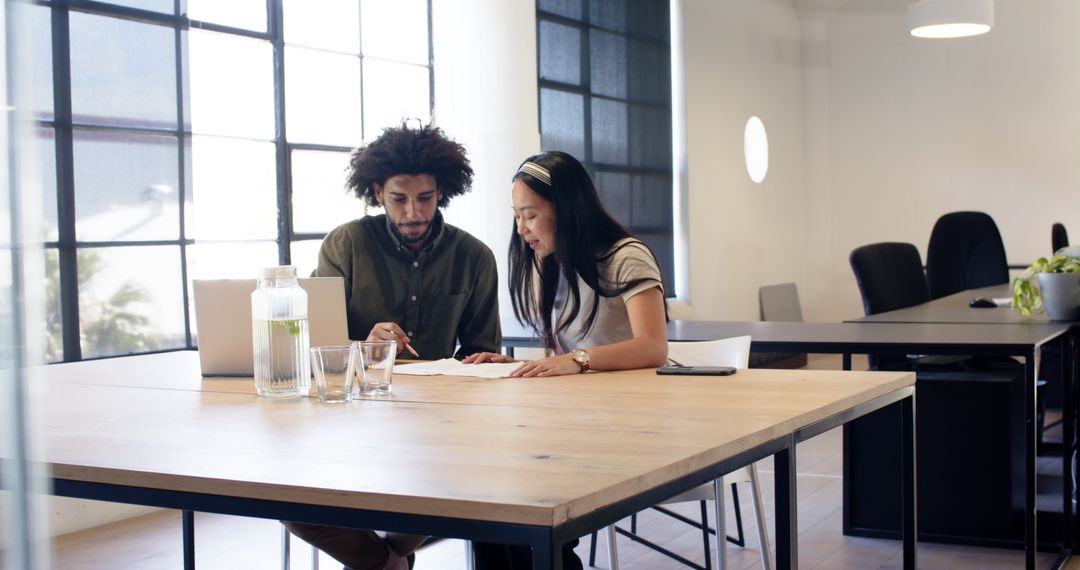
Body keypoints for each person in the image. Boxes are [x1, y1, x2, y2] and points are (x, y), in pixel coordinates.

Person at [284, 122, 502, 570]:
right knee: (289, 501)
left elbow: (480, 353)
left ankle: (384, 561)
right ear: (378, 191)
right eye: (399, 199)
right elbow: (316, 342)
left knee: (451, 488)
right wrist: (365, 344)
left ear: (441, 190)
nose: (413, 213)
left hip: (439, 430)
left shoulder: (474, 257)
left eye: (425, 197)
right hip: (347, 422)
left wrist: (483, 363)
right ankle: (390, 564)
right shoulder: (345, 244)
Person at [464, 151, 669, 568]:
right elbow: (569, 356)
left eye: (531, 215)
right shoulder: (556, 262)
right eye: (516, 216)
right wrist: (518, 366)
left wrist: (576, 360)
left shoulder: (624, 256)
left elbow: (653, 346)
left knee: (513, 495)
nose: (521, 229)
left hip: (638, 425)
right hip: (584, 418)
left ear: (567, 210)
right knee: (489, 503)